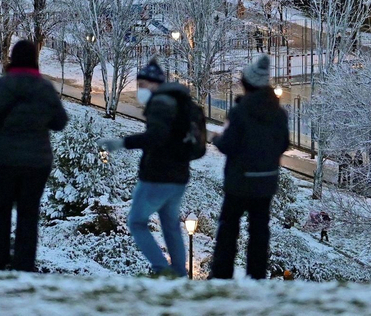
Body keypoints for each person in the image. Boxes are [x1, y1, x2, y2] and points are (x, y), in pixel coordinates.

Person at [0, 39, 67, 272]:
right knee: (28, 215)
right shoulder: (45, 89)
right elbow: (60, 122)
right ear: (35, 61)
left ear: (12, 59)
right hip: (36, 162)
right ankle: (24, 267)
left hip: (1, 159)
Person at [102, 58, 200, 277]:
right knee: (171, 227)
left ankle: (162, 269)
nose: (140, 90)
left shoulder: (160, 103)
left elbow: (156, 136)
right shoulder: (179, 102)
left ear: (154, 84)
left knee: (136, 222)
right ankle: (178, 275)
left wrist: (121, 143)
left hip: (157, 175)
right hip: (179, 176)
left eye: (143, 84)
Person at [209, 54, 289, 279]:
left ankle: (221, 274)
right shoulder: (279, 113)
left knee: (228, 227)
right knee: (260, 230)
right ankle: (256, 275)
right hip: (266, 181)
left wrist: (217, 139)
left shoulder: (240, 112)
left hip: (239, 182)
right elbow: (283, 144)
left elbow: (229, 145)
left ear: (248, 83)